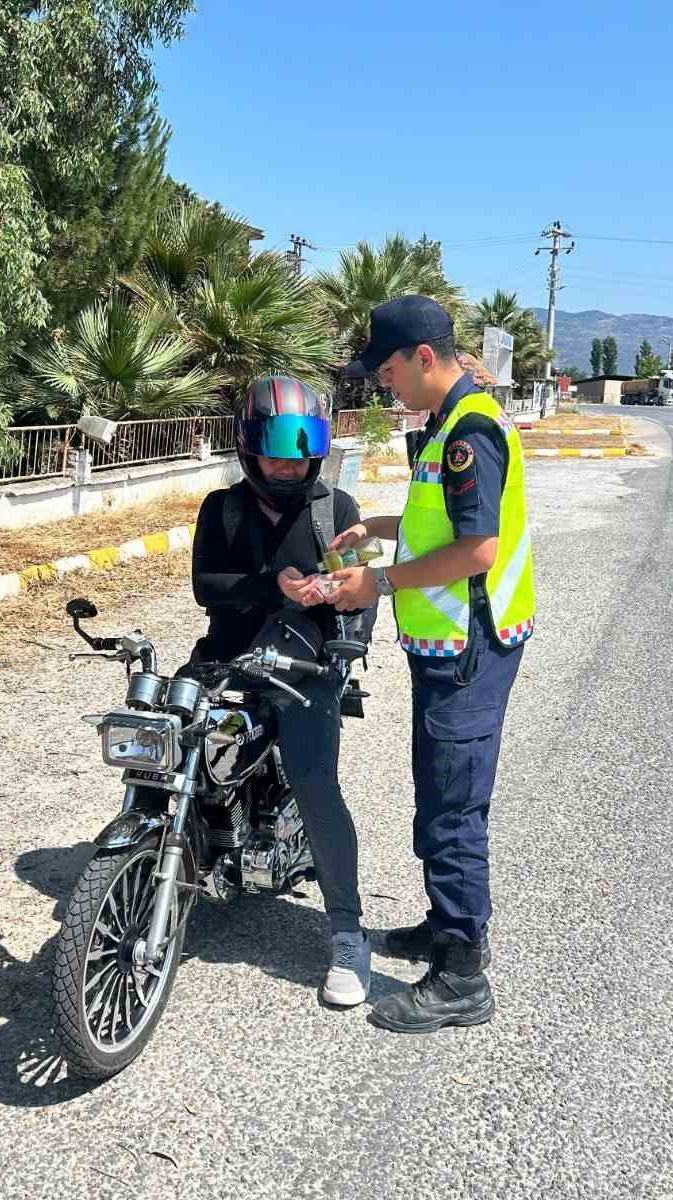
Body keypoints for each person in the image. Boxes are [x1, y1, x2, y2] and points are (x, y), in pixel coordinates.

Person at [325, 295, 534, 1034]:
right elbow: (438, 520)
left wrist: (377, 582)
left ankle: (462, 977)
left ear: (421, 357)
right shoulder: (446, 422)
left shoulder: (469, 430)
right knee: (438, 794)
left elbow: (477, 550)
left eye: (386, 369)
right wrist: (376, 527)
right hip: (447, 650)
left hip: (469, 650)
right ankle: (447, 925)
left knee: (453, 808)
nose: (383, 384)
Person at [187, 374, 373, 1007]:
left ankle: (347, 932)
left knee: (316, 784)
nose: (288, 467)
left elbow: (361, 590)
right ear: (249, 450)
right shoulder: (222, 508)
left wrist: (349, 638)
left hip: (305, 666)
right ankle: (169, 853)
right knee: (167, 741)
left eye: (299, 455)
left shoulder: (336, 509)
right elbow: (207, 587)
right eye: (274, 456)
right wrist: (275, 586)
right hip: (226, 656)